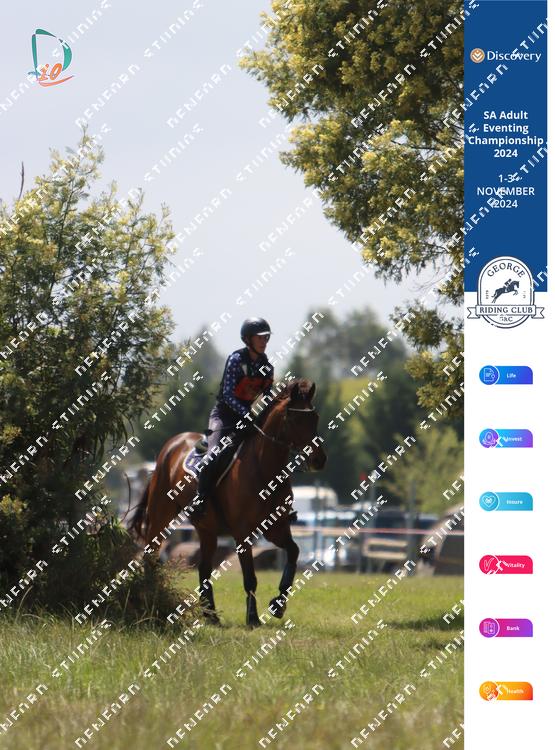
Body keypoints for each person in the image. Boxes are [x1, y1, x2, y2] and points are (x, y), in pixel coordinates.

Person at [191, 317, 274, 520]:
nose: (264, 341)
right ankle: (200, 500)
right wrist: (247, 414)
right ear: (248, 339)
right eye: (260, 337)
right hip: (224, 416)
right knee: (213, 455)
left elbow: (268, 398)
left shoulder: (267, 367)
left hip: (247, 419)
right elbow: (228, 395)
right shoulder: (236, 360)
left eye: (266, 337)